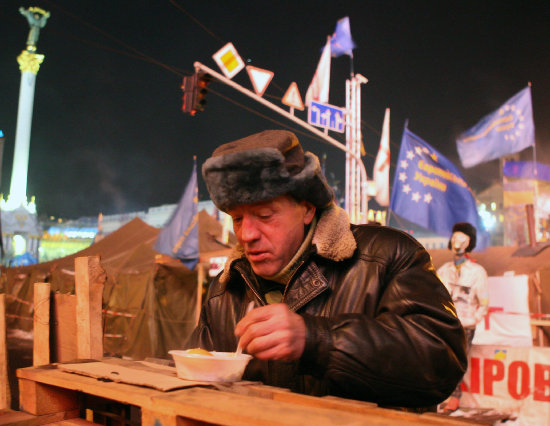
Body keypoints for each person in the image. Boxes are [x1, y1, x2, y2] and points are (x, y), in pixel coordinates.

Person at [186, 129, 467, 410]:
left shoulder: (387, 257)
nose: (247, 234)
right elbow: (197, 380)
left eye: (264, 215)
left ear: (307, 209)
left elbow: (441, 363)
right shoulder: (225, 289)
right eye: (237, 219)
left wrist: (318, 340)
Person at [437, 222, 489, 412]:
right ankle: (442, 394)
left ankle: (454, 397)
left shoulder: (477, 273)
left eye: (461, 238)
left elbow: (484, 302)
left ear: (469, 242)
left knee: (458, 360)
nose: (456, 241)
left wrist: (473, 320)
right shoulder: (443, 270)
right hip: (445, 323)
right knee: (443, 359)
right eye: (454, 237)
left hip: (465, 326)